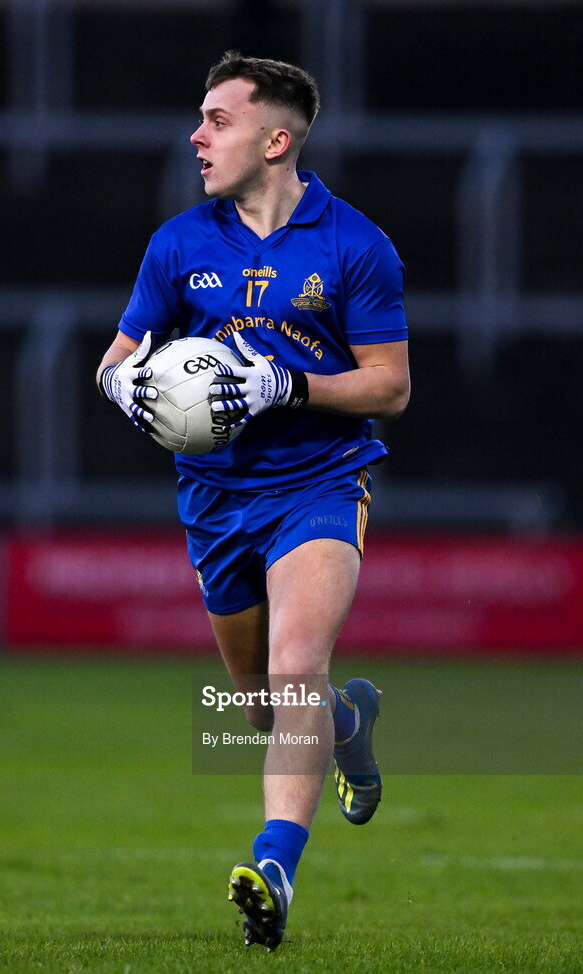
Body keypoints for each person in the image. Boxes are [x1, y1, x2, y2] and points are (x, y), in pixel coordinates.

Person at [96, 51, 410, 951]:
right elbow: (116, 362)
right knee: (262, 709)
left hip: (317, 483)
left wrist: (285, 386)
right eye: (200, 119)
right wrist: (126, 390)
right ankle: (349, 723)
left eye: (218, 120)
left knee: (296, 664)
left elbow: (389, 387)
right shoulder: (178, 243)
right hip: (213, 500)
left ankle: (273, 865)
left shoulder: (356, 244)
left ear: (276, 140)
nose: (197, 137)